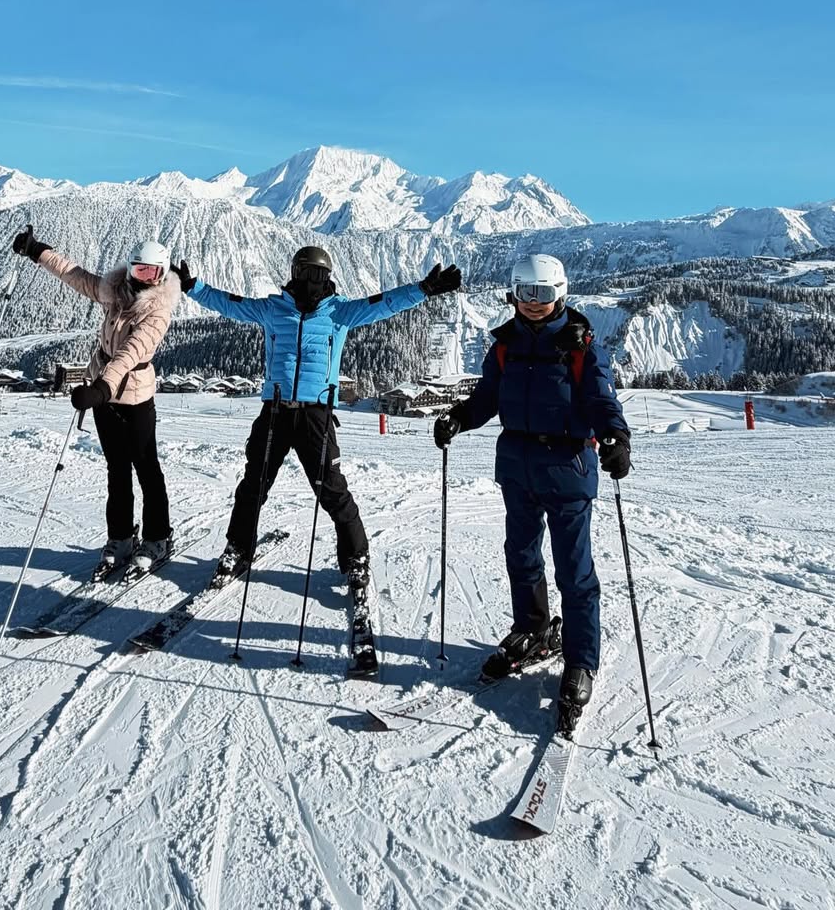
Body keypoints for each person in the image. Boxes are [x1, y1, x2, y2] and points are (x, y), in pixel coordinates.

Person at [175, 247, 461, 589]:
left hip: (316, 415)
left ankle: (356, 557)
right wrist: (194, 287)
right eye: (306, 273)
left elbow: (384, 303)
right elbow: (231, 304)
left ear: (328, 278)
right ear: (294, 273)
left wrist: (422, 289)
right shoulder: (272, 309)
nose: (313, 282)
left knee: (332, 490)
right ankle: (238, 548)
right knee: (253, 485)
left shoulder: (340, 313)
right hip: (276, 412)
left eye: (320, 275)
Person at [433, 253, 631, 735]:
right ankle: (534, 628)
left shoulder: (581, 345)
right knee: (520, 555)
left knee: (573, 569)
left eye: (543, 295)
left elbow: (602, 400)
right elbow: (488, 397)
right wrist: (459, 417)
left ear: (560, 293)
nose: (535, 305)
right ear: (514, 294)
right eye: (526, 295)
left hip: (568, 467)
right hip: (518, 468)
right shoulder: (504, 344)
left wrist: (616, 438)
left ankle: (581, 660)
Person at [13, 227, 181, 574]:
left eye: (151, 272)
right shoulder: (115, 292)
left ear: (162, 274)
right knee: (116, 468)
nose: (144, 278)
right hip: (103, 393)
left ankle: (157, 536)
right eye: (138, 269)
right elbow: (76, 276)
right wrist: (38, 251)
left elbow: (131, 353)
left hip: (133, 396)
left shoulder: (158, 311)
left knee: (146, 466)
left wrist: (102, 389)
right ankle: (120, 537)